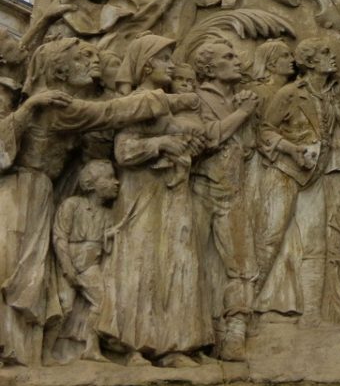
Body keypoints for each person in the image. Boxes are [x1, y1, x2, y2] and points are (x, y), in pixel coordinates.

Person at [0, 38, 188, 365]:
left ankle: (21, 353)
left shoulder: (52, 100)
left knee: (27, 274)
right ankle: (14, 353)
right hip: (23, 195)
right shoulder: (57, 106)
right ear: (60, 67)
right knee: (18, 275)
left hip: (39, 192)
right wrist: (171, 99)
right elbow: (110, 112)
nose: (94, 62)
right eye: (83, 57)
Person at [255, 11, 340, 322]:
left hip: (315, 175)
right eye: (325, 53)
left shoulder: (337, 85)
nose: (333, 56)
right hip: (285, 173)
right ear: (310, 62)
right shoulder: (289, 94)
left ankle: (311, 314)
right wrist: (291, 149)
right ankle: (244, 311)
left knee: (315, 243)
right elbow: (265, 131)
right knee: (270, 238)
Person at [96, 35, 212, 365]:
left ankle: (174, 346)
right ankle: (133, 345)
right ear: (146, 64)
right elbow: (124, 151)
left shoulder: (162, 100)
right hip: (141, 195)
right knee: (140, 265)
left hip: (172, 192)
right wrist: (163, 143)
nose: (171, 65)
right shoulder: (138, 102)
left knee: (178, 263)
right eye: (164, 59)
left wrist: (189, 143)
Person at [190, 39, 259, 360]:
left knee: (241, 266)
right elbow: (208, 137)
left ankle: (235, 333)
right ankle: (200, 334)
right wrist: (242, 113)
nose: (237, 60)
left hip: (233, 192)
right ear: (208, 68)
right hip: (201, 190)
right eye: (228, 56)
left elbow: (248, 148)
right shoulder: (195, 99)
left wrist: (244, 110)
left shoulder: (239, 101)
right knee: (195, 263)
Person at [51, 159, 119, 363]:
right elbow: (59, 237)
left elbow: (105, 249)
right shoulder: (72, 205)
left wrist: (110, 236)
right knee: (64, 306)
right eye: (109, 178)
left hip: (91, 266)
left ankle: (91, 348)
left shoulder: (109, 214)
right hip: (70, 261)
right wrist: (67, 267)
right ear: (91, 184)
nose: (117, 183)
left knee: (103, 302)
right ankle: (45, 350)